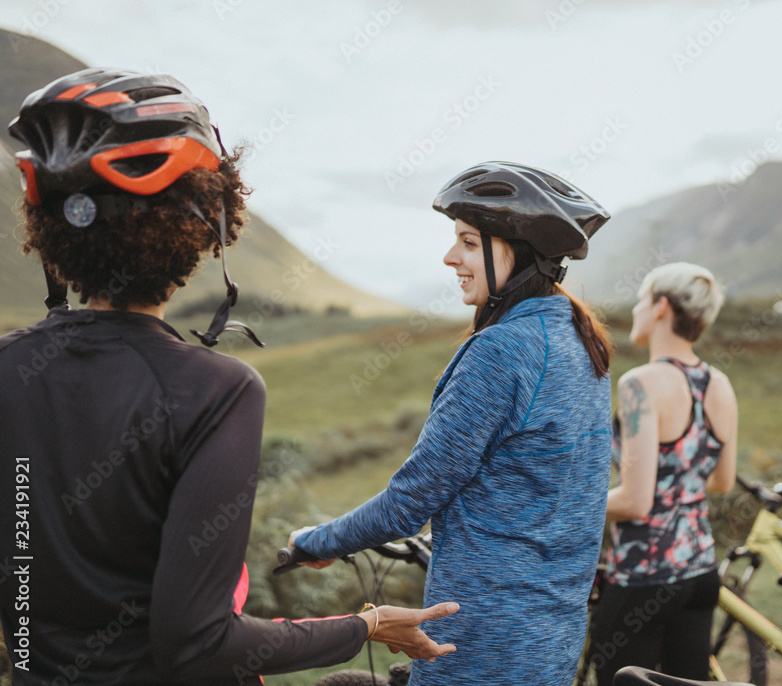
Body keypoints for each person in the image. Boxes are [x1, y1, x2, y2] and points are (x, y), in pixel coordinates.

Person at [0, 68, 456, 686]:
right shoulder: (217, 391)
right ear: (201, 224)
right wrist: (366, 627)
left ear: (50, 231)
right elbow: (198, 643)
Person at [289, 162, 614, 685]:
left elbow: (408, 504)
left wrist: (316, 542)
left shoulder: (502, 350)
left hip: (479, 645)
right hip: (549, 641)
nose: (450, 257)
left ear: (516, 249)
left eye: (467, 241)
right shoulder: (582, 343)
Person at [590, 263, 737, 684]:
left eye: (641, 299)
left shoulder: (641, 383)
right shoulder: (719, 383)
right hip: (701, 572)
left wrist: (569, 507)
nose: (635, 308)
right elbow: (721, 481)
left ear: (661, 307)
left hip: (644, 576)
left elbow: (637, 501)